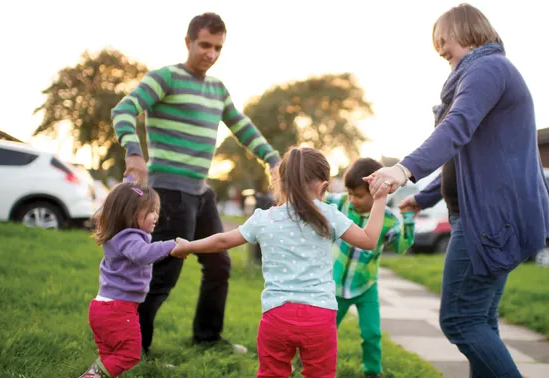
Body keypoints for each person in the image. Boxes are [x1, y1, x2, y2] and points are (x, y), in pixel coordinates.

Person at [365, 4, 549, 377]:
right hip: (492, 215)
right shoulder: (486, 70)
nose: (440, 50)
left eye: (443, 41)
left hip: (488, 219)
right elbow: (464, 158)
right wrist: (421, 199)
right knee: (481, 321)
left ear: (467, 32)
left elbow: (456, 128)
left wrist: (404, 169)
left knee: (460, 321)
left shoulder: (488, 69)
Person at [110, 12, 281, 355]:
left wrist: (275, 160)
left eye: (218, 48)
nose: (211, 54)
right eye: (205, 45)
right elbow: (124, 109)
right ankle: (133, 346)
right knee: (163, 272)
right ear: (188, 41)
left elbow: (243, 127)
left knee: (219, 264)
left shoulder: (217, 89)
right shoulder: (166, 78)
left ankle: (207, 337)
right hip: (170, 191)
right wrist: (133, 151)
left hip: (201, 193)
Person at [171, 147, 392, 378]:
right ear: (323, 186)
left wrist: (188, 245)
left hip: (277, 316)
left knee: (271, 374)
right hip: (320, 317)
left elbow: (222, 241)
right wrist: (380, 199)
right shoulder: (328, 215)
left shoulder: (263, 219)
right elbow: (368, 240)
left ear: (280, 182)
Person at [80, 182, 187, 378]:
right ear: (131, 212)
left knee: (110, 357)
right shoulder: (130, 237)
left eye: (157, 210)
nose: (156, 216)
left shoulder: (120, 236)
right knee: (128, 355)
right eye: (151, 211)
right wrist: (172, 245)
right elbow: (143, 254)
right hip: (118, 310)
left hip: (103, 308)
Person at [325, 158, 415, 378]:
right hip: (334, 287)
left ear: (375, 192)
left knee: (372, 333)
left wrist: (409, 218)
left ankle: (372, 372)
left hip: (366, 286)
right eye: (350, 193)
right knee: (324, 333)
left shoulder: (388, 220)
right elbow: (314, 201)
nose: (352, 199)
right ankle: (314, 366)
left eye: (358, 195)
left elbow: (402, 246)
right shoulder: (339, 204)